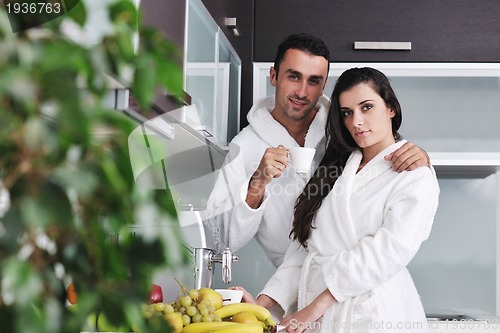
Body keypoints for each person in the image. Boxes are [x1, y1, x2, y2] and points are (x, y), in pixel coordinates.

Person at [205, 33, 430, 269]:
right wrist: (257, 184)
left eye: (313, 81)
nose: (302, 92)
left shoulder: (344, 125)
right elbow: (221, 240)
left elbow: (383, 153)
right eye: (293, 77)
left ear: (323, 85)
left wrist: (419, 155)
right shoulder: (246, 146)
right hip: (289, 282)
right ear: (274, 76)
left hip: (354, 268)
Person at [242, 67, 439, 332]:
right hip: (321, 317)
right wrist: (260, 306)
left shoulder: (414, 175)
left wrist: (318, 304)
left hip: (374, 314)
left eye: (366, 107)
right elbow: (308, 251)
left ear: (391, 108)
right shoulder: (337, 170)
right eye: (347, 113)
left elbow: (389, 251)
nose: (356, 121)